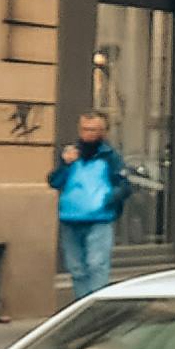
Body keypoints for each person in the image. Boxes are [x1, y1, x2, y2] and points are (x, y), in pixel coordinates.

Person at [49, 112, 126, 297]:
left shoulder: (110, 157)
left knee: (96, 265)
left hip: (99, 219)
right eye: (84, 129)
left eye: (93, 129)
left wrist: (106, 201)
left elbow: (124, 185)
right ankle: (81, 305)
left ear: (103, 132)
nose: (88, 133)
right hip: (70, 218)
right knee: (76, 269)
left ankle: (96, 308)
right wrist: (65, 164)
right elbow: (54, 181)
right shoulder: (70, 154)